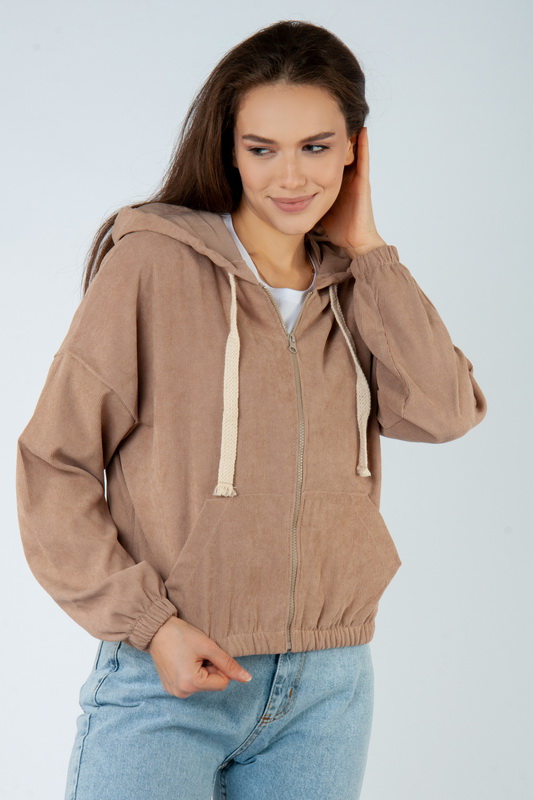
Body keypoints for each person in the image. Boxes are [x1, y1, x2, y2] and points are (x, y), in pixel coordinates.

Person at [15, 18, 488, 800]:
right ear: (228, 151)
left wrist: (369, 250)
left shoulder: (356, 288)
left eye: (315, 146)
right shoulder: (152, 264)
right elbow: (53, 462)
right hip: (170, 676)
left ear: (353, 148)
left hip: (328, 688)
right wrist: (150, 626)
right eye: (261, 149)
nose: (289, 176)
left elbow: (443, 413)